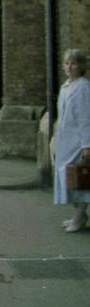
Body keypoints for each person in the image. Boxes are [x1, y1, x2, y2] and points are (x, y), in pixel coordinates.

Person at [53, 49, 90, 232]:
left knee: (79, 179)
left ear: (81, 66)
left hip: (77, 141)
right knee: (67, 178)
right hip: (65, 140)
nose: (69, 67)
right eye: (67, 63)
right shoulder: (65, 86)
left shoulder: (83, 87)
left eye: (74, 63)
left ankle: (79, 217)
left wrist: (86, 144)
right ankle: (79, 215)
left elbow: (85, 118)